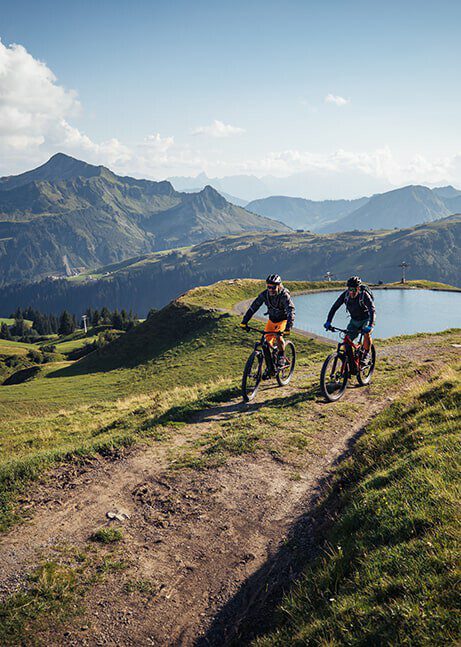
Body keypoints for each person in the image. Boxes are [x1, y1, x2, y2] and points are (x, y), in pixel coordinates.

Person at [240, 274, 295, 367]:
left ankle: (281, 355)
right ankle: (269, 366)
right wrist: (244, 321)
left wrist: (288, 328)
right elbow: (253, 307)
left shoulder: (284, 295)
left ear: (279, 286)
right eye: (269, 287)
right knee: (265, 342)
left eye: (273, 287)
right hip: (272, 320)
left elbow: (291, 311)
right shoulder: (264, 295)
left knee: (278, 337)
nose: (271, 290)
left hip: (283, 320)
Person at [323, 276, 375, 361]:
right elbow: (334, 307)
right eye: (349, 289)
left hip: (366, 319)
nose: (351, 292)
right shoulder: (345, 295)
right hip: (354, 321)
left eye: (353, 290)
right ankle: (350, 362)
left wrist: (370, 325)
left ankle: (366, 354)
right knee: (347, 341)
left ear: (358, 288)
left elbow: (372, 310)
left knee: (366, 334)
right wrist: (328, 321)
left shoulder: (364, 295)